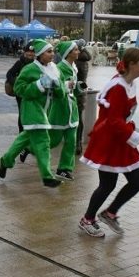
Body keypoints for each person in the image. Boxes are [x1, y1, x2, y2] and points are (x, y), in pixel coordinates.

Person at [78, 47, 139, 237]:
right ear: (131, 64)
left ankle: (110, 213)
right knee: (107, 185)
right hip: (110, 140)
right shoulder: (118, 87)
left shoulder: (130, 84)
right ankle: (87, 219)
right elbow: (113, 121)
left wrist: (136, 138)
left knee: (137, 181)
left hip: (123, 139)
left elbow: (124, 118)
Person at [0, 39, 64, 188]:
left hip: (46, 111)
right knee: (43, 142)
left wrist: (60, 86)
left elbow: (60, 93)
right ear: (40, 54)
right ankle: (47, 176)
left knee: (23, 139)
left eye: (53, 51)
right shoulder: (29, 69)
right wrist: (39, 85)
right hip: (32, 110)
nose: (52, 54)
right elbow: (19, 89)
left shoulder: (55, 68)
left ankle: (5, 161)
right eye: (49, 51)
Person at [48, 41, 81, 181]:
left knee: (71, 141)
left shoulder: (74, 67)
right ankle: (28, 147)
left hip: (71, 108)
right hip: (60, 108)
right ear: (68, 53)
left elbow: (73, 88)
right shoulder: (60, 67)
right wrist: (68, 86)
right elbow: (54, 86)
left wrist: (79, 88)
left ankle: (64, 169)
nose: (78, 52)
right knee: (53, 141)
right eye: (75, 50)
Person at [74, 40, 92, 155]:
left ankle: (77, 142)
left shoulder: (77, 62)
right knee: (79, 117)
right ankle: (78, 142)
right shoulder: (84, 60)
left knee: (76, 118)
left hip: (77, 92)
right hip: (82, 92)